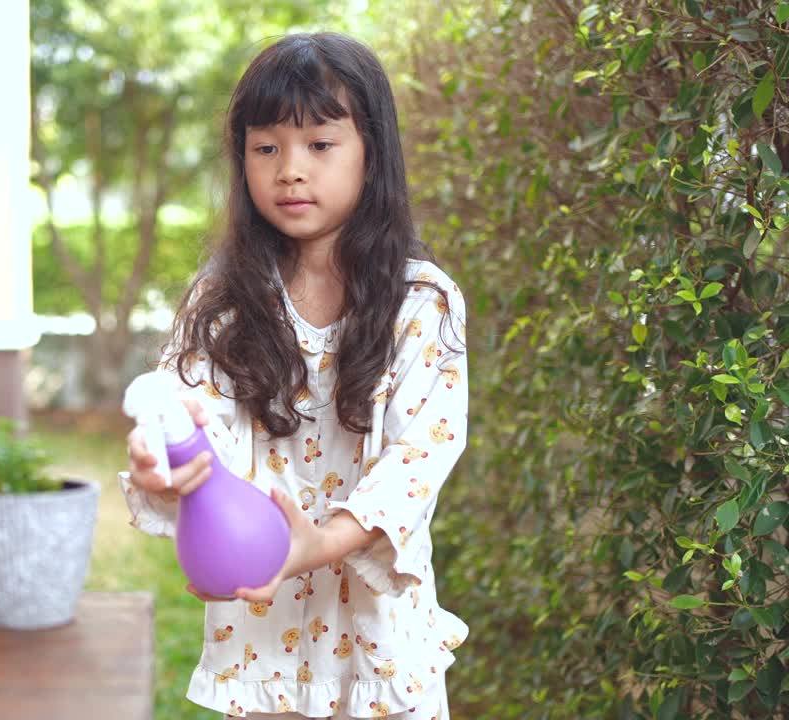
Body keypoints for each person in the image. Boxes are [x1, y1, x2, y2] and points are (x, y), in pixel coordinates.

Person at [118, 32, 470, 719]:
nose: (290, 170)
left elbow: (419, 457)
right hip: (263, 643)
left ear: (373, 153)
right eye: (266, 147)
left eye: (319, 144)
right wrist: (163, 463)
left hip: (380, 645)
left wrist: (319, 544)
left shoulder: (420, 302)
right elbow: (189, 413)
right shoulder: (220, 302)